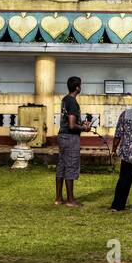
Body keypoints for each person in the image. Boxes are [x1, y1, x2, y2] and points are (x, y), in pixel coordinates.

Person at [55, 75, 91, 206]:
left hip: (62, 136)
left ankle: (58, 198)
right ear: (77, 87)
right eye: (80, 85)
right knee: (71, 165)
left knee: (62, 166)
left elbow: (69, 120)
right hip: (70, 137)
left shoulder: (65, 99)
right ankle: (71, 200)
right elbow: (71, 125)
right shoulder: (73, 102)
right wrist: (84, 128)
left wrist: (81, 123)